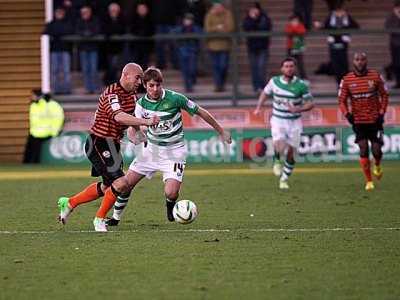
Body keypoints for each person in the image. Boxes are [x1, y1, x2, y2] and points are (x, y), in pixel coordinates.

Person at [101, 67, 232, 230]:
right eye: (151, 86)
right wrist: (135, 134)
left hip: (174, 152)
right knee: (125, 184)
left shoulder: (175, 98)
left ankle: (170, 207)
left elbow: (201, 112)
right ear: (144, 85)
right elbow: (135, 125)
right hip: (151, 150)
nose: (155, 89)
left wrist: (221, 131)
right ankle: (115, 218)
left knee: (171, 192)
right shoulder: (140, 104)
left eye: (158, 85)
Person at [57, 63, 160, 231]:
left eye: (141, 79)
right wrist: (146, 122)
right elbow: (119, 117)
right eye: (137, 78)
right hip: (99, 142)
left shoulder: (131, 94)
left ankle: (69, 203)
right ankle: (99, 220)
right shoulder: (112, 94)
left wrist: (138, 134)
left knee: (108, 186)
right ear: (125, 75)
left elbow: (131, 119)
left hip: (113, 145)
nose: (140, 82)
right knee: (121, 183)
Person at [253, 57, 314, 189]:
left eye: (291, 66)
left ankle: (284, 178)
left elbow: (310, 103)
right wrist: (258, 107)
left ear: (295, 68)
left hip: (295, 122)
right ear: (282, 69)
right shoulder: (274, 82)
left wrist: (298, 108)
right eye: (286, 66)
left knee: (292, 153)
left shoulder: (301, 85)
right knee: (279, 144)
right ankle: (277, 160)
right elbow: (265, 93)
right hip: (278, 119)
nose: (289, 68)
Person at [338, 53, 389, 191]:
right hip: (358, 120)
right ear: (353, 62)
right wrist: (347, 114)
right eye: (357, 59)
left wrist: (382, 112)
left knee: (377, 150)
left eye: (362, 59)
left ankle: (377, 164)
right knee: (363, 147)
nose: (360, 62)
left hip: (375, 119)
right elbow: (341, 100)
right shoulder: (347, 79)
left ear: (366, 61)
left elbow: (384, 95)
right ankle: (369, 181)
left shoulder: (375, 76)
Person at [316, 5, 359, 85]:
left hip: (343, 42)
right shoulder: (330, 17)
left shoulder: (347, 17)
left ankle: (345, 80)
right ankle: (339, 81)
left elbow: (356, 26)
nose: (339, 14)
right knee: (335, 61)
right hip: (333, 42)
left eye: (341, 11)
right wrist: (320, 26)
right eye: (337, 12)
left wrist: (347, 29)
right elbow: (325, 27)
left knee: (343, 61)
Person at [204, 1, 235, 92]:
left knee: (223, 66)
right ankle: (218, 85)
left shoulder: (227, 14)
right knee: (215, 66)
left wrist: (216, 29)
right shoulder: (209, 15)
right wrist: (218, 28)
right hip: (213, 45)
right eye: (216, 6)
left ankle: (221, 83)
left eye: (219, 6)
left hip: (225, 45)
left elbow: (230, 27)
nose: (217, 8)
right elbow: (207, 29)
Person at [242, 2, 272, 92]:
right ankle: (255, 87)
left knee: (261, 67)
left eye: (255, 9)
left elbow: (265, 27)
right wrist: (252, 19)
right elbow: (247, 28)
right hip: (252, 47)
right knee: (254, 67)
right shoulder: (247, 19)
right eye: (251, 9)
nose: (253, 11)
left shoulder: (264, 18)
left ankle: (263, 87)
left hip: (263, 46)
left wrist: (256, 19)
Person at [43, 7, 73, 94]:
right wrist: (59, 33)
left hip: (65, 50)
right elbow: (45, 32)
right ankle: (56, 89)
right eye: (58, 12)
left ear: (63, 14)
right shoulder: (51, 24)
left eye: (61, 12)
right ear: (55, 14)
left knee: (66, 71)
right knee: (54, 71)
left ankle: (67, 89)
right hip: (54, 50)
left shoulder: (67, 23)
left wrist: (57, 33)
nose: (59, 14)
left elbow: (69, 31)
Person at [174, 13, 202, 92]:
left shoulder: (195, 28)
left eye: (189, 19)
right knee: (185, 70)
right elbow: (174, 36)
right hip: (183, 51)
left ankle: (192, 81)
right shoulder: (180, 28)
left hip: (192, 51)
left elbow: (199, 36)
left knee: (192, 69)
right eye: (186, 19)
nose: (188, 21)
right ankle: (188, 87)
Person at [23, 90, 52, 163]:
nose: (31, 97)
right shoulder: (33, 105)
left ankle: (34, 164)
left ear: (38, 96)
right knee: (29, 150)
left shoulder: (43, 104)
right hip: (34, 131)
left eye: (33, 95)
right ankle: (27, 164)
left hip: (40, 132)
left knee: (35, 151)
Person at [285, 14, 307, 79]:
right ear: (290, 21)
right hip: (290, 48)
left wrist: (295, 29)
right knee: (289, 64)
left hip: (298, 48)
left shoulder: (301, 26)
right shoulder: (288, 26)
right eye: (293, 21)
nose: (294, 22)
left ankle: (304, 78)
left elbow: (302, 31)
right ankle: (289, 78)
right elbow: (288, 32)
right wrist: (294, 29)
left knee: (300, 64)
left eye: (296, 21)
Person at [384, 0, 400, 89]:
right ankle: (398, 82)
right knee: (397, 63)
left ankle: (388, 68)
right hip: (395, 44)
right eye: (397, 8)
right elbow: (388, 27)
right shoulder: (391, 17)